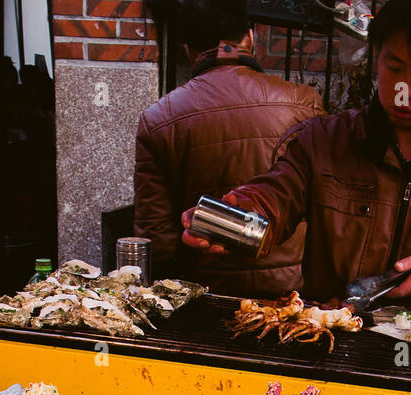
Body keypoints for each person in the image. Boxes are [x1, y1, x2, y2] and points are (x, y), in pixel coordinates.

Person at [182, 0, 411, 311]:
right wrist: (237, 216)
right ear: (376, 60)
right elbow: (274, 196)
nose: (405, 90)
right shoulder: (323, 140)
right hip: (331, 339)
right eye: (395, 68)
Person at [134, 0, 324, 295]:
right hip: (291, 297)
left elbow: (156, 238)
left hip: (205, 296)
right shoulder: (305, 103)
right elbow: (322, 205)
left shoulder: (158, 119)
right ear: (250, 38)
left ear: (189, 50)